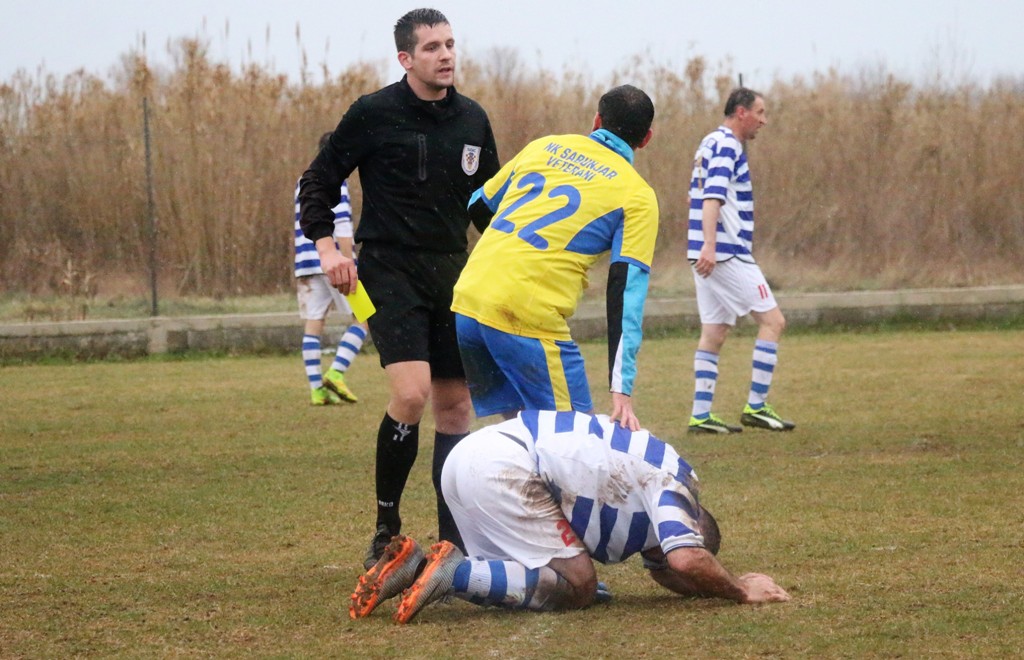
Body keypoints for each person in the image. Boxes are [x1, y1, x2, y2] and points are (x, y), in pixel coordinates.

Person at [298, 8, 500, 569]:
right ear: (406, 59)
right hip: (387, 269)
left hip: (451, 273)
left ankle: (451, 541)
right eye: (433, 46)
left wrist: (517, 255)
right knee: (411, 394)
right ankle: (386, 528)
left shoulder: (472, 120)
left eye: (451, 44)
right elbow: (319, 178)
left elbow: (488, 205)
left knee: (456, 407)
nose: (446, 55)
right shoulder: (373, 113)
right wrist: (327, 248)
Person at [348, 409, 791, 623]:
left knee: (535, 581)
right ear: (692, 526)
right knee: (577, 586)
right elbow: (687, 562)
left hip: (471, 458)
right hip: (507, 467)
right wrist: (738, 589)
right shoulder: (678, 485)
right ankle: (451, 573)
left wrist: (704, 584)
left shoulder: (645, 485)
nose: (666, 576)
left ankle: (414, 568)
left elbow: (678, 569)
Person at [452, 85, 658, 432]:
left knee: (524, 432)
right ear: (646, 139)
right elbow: (625, 293)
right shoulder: (637, 196)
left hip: (468, 303)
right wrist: (621, 388)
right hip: (523, 316)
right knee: (575, 438)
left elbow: (477, 204)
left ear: (596, 121)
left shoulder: (544, 146)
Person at [685, 88, 795, 434]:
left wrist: (702, 246)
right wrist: (710, 247)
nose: (764, 121)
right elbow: (712, 197)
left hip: (706, 250)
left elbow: (701, 194)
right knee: (773, 321)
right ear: (741, 112)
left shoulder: (709, 142)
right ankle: (757, 407)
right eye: (760, 112)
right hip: (725, 252)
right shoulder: (729, 145)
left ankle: (701, 416)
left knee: (715, 332)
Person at [294, 133, 367, 406]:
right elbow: (344, 228)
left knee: (314, 323)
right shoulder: (337, 183)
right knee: (363, 317)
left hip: (306, 264)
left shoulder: (303, 183)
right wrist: (351, 262)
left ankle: (317, 390)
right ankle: (336, 373)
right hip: (334, 262)